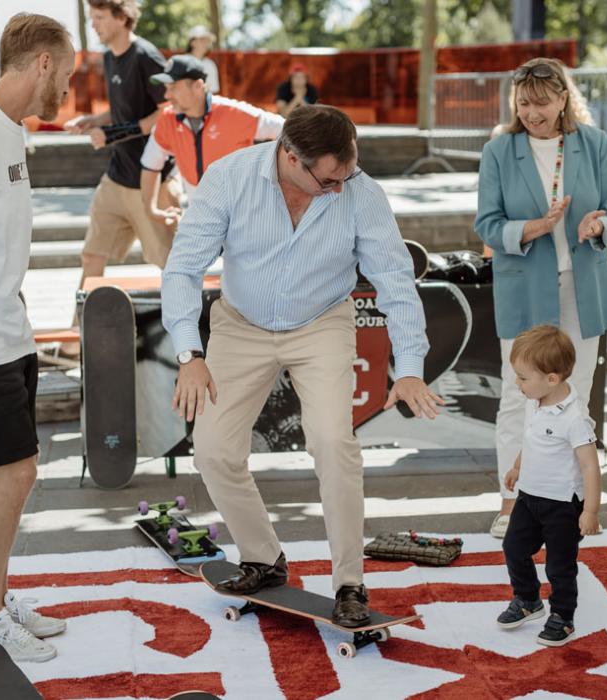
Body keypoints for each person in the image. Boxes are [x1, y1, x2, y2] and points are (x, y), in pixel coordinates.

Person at [162, 104, 444, 627]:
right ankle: (263, 558)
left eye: (347, 174)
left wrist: (408, 367)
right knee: (213, 451)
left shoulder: (360, 192)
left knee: (334, 445)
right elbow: (182, 269)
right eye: (330, 179)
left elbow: (397, 283)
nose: (341, 187)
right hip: (239, 325)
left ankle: (349, 584)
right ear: (290, 157)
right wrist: (189, 354)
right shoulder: (229, 178)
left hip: (322, 323)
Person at [0, 13, 75, 661]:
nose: (68, 93)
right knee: (15, 471)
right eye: (69, 75)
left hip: (7, 330)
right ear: (43, 65)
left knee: (17, 473)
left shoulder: (5, 129)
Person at [475, 57, 607, 539]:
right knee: (518, 397)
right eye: (523, 103)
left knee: (573, 397)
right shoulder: (499, 150)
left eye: (541, 102)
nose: (531, 113)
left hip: (583, 289)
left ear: (563, 98)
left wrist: (598, 225)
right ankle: (510, 502)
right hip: (524, 291)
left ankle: (573, 501)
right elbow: (487, 225)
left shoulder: (594, 144)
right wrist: (534, 228)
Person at [64, 0, 181, 289]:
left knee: (173, 265)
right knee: (92, 255)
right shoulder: (109, 57)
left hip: (153, 181)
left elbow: (170, 109)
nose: (94, 24)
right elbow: (124, 110)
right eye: (91, 18)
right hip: (116, 179)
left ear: (121, 18)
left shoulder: (146, 56)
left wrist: (114, 133)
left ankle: (187, 329)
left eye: (100, 17)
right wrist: (94, 120)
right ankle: (81, 327)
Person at [497, 325, 600, 647]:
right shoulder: (535, 402)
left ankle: (563, 617)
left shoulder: (574, 418)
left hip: (562, 504)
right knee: (513, 548)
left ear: (551, 379)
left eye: (523, 377)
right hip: (529, 496)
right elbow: (532, 438)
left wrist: (591, 511)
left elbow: (590, 466)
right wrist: (517, 466)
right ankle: (528, 599)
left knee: (559, 565)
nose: (518, 383)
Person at [140, 54, 284, 226]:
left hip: (245, 215)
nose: (167, 95)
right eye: (166, 88)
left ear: (198, 86)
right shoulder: (167, 120)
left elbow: (287, 129)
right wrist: (150, 209)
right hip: (201, 215)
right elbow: (150, 164)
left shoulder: (233, 112)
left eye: (174, 88)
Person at [186, 25, 219, 94]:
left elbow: (212, 93)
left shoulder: (210, 65)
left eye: (207, 40)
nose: (206, 43)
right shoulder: (180, 62)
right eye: (202, 40)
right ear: (192, 42)